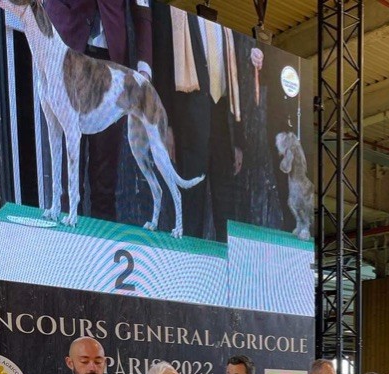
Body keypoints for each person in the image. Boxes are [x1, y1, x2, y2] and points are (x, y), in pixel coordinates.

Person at [44, 0, 152, 223]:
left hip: (110, 67)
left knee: (105, 182)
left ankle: (101, 254)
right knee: (66, 181)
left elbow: (142, 10)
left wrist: (144, 68)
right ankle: (64, 252)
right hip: (64, 55)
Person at [153, 7, 244, 241]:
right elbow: (163, 67)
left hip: (223, 121)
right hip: (188, 125)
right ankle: (189, 270)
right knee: (191, 207)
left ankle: (226, 271)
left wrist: (239, 141)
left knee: (225, 208)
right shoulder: (175, 13)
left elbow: (236, 78)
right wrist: (167, 126)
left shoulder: (230, 24)